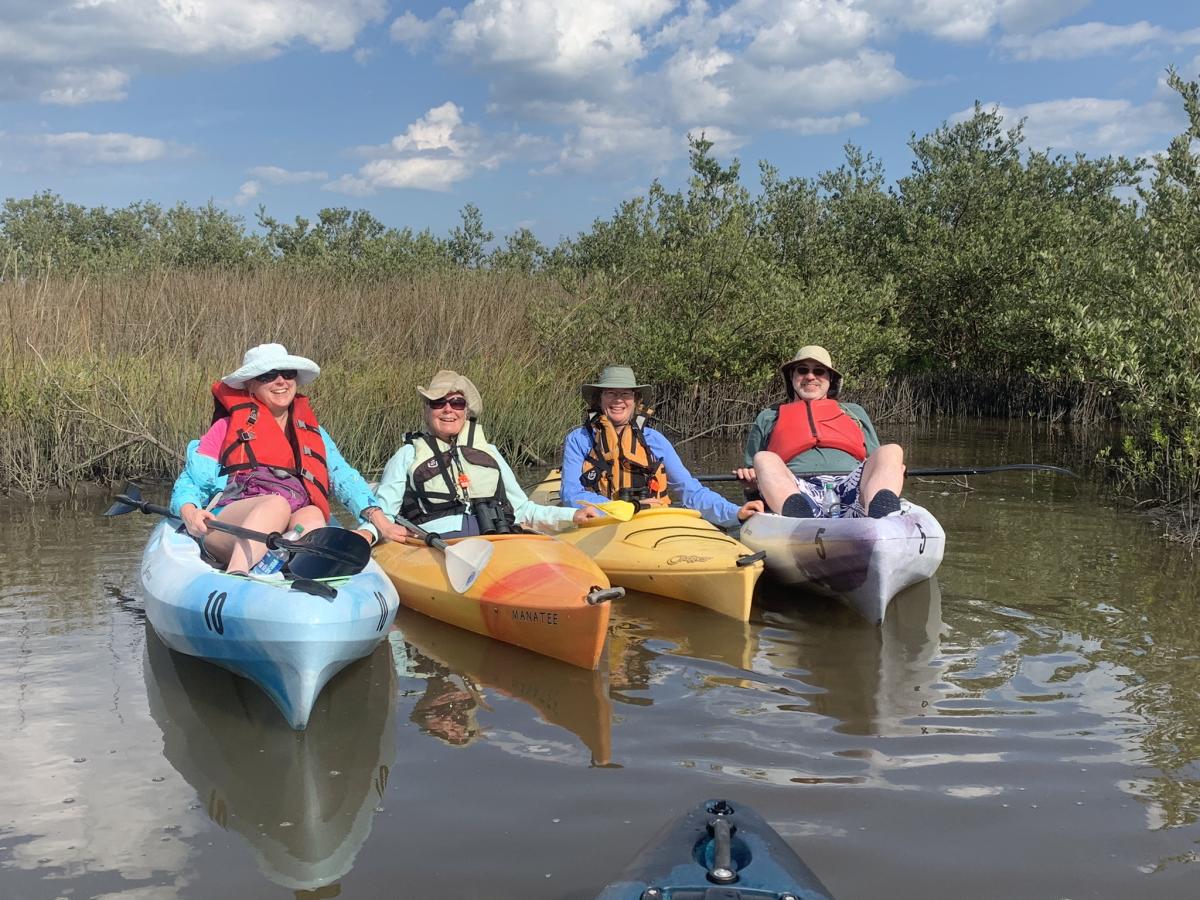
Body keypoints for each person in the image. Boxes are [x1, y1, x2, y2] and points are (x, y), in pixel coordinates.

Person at [170, 343, 408, 573]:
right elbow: (190, 480)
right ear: (250, 386)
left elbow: (344, 478)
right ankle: (238, 572)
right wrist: (190, 512)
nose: (281, 381)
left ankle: (310, 574)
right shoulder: (226, 427)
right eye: (268, 376)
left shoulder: (314, 434)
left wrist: (379, 520)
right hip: (228, 525)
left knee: (313, 515)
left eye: (287, 374)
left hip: (287, 525)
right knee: (276, 504)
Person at [365, 370, 599, 540]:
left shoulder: (490, 452)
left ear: (466, 411)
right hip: (437, 546)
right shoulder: (407, 455)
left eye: (457, 403)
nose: (448, 409)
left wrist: (573, 515)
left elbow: (524, 511)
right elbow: (384, 516)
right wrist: (367, 535)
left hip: (496, 540)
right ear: (426, 410)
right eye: (438, 402)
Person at [560, 365, 762, 528]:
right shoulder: (578, 440)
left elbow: (690, 490)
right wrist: (630, 508)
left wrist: (735, 512)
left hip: (652, 524)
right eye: (611, 393)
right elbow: (571, 495)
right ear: (599, 399)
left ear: (636, 400)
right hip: (601, 524)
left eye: (626, 394)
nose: (618, 400)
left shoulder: (654, 440)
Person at [737, 345, 905, 518]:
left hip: (853, 488)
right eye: (802, 370)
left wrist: (890, 468)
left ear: (830, 378)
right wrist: (750, 486)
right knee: (763, 458)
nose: (810, 376)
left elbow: (874, 459)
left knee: (892, 451)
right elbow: (755, 478)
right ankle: (799, 517)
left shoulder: (854, 412)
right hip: (795, 490)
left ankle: (883, 516)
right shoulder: (769, 416)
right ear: (792, 376)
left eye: (819, 371)